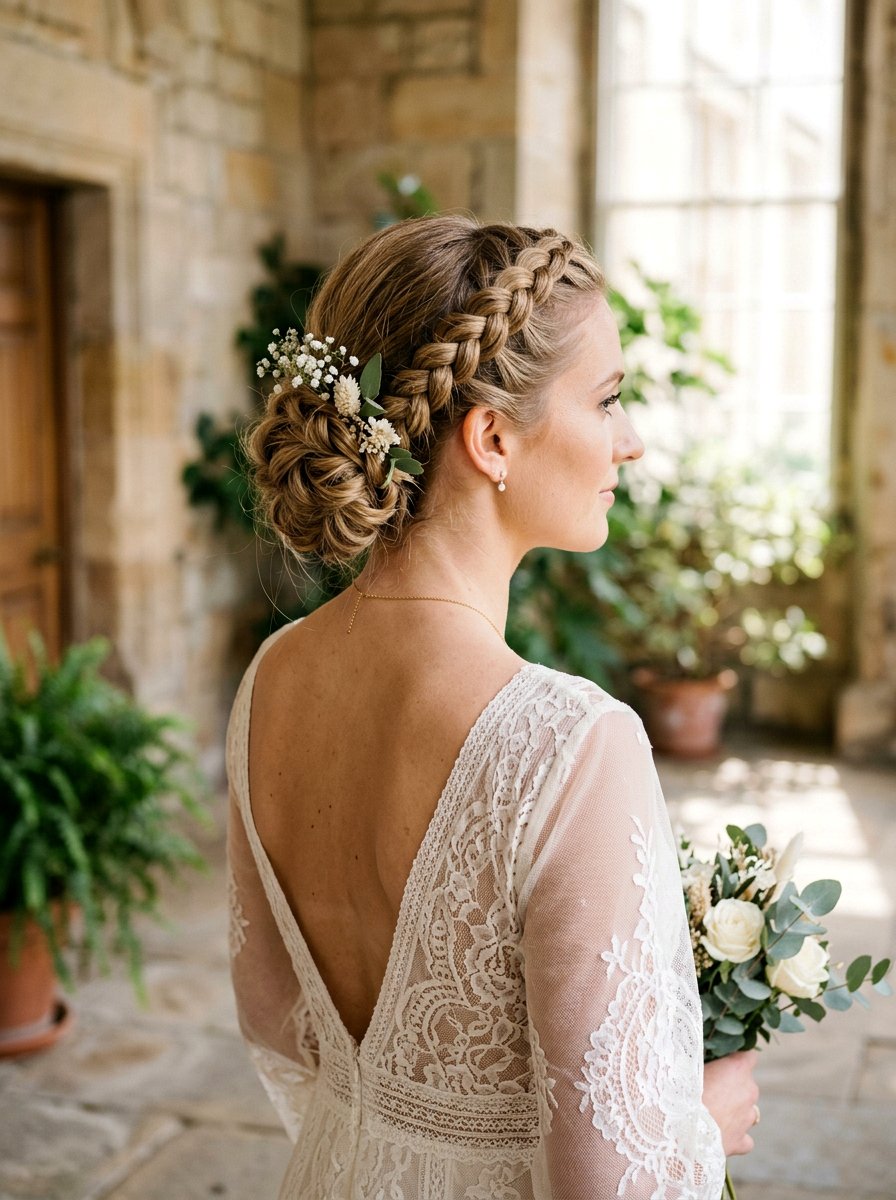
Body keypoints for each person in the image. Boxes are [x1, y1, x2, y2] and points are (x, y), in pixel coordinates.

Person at [225, 216, 760, 1199]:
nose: (631, 442)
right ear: (491, 436)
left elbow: (273, 1018)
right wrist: (699, 1126)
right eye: (607, 400)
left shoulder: (271, 679)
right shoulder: (569, 742)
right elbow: (609, 1183)